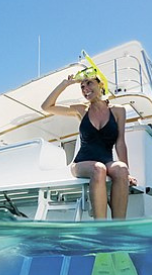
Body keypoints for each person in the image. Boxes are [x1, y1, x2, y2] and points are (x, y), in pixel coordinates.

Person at [42, 71, 136, 219]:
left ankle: (119, 226)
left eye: (89, 83)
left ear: (101, 84)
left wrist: (128, 173)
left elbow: (120, 142)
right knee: (99, 169)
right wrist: (65, 84)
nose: (85, 88)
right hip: (82, 163)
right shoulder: (81, 110)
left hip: (106, 161)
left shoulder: (118, 110)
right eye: (82, 86)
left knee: (122, 169)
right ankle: (101, 227)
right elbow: (47, 107)